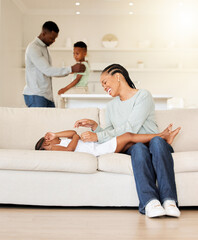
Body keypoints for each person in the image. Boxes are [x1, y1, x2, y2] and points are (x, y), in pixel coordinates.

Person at [74, 63, 181, 218]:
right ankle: (150, 202)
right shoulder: (110, 107)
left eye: (105, 82)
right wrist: (96, 128)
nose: (104, 87)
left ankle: (169, 201)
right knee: (138, 148)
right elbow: (112, 135)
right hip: (133, 146)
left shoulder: (143, 95)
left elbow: (131, 127)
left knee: (157, 142)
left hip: (155, 144)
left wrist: (98, 136)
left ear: (118, 77)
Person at [23, 21, 85, 108]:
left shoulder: (43, 48)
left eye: (55, 38)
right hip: (36, 95)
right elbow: (48, 70)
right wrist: (71, 69)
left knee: (51, 121)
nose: (53, 41)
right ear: (44, 33)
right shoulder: (34, 48)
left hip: (46, 96)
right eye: (52, 38)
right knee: (40, 122)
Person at [35, 125, 180, 158]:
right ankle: (161, 136)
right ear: (46, 144)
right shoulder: (53, 149)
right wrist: (75, 138)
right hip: (97, 151)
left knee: (130, 144)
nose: (56, 138)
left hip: (98, 146)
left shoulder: (62, 140)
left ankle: (164, 143)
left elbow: (73, 133)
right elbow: (69, 150)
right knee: (128, 136)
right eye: (51, 138)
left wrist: (55, 134)